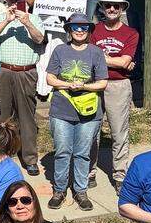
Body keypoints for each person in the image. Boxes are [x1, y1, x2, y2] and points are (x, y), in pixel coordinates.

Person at [46, 15, 108, 211]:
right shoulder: (60, 50)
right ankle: (60, 189)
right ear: (69, 30)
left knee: (82, 153)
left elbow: (103, 82)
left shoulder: (96, 52)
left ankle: (80, 190)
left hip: (89, 112)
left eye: (83, 27)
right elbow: (50, 78)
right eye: (75, 27)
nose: (79, 30)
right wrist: (67, 84)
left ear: (89, 30)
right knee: (62, 151)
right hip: (62, 109)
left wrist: (85, 86)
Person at [0, 0, 46, 176]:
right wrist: (7, 20)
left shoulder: (34, 18)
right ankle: (5, 155)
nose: (16, 4)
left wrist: (27, 22)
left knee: (27, 117)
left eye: (19, 1)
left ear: (24, 2)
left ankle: (29, 158)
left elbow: (39, 39)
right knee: (4, 116)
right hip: (4, 71)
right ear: (7, 2)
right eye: (12, 1)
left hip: (26, 72)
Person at [89, 0, 138, 187]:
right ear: (102, 7)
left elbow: (125, 62)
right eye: (108, 5)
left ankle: (119, 175)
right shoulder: (94, 31)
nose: (111, 9)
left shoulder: (131, 33)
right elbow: (89, 59)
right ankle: (89, 171)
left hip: (118, 85)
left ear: (122, 9)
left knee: (119, 132)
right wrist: (115, 61)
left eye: (116, 6)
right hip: (94, 84)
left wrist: (102, 58)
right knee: (92, 131)